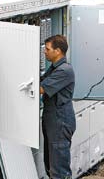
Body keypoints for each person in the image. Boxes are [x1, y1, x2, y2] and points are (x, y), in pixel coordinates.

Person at [40, 35, 76, 179]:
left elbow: (41, 88)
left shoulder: (64, 70)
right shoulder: (54, 68)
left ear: (58, 51)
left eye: (47, 49)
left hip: (60, 122)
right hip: (53, 120)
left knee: (59, 169)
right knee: (50, 165)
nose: (45, 52)